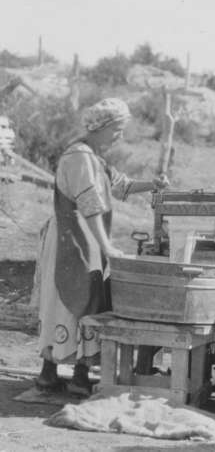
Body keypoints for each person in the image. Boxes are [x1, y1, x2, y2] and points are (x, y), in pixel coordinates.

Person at [35, 98, 169, 396]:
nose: (119, 136)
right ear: (102, 126)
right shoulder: (79, 157)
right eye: (117, 130)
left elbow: (120, 186)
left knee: (90, 298)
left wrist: (153, 185)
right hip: (70, 239)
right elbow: (91, 204)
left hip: (87, 238)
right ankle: (53, 373)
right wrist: (107, 246)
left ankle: (78, 374)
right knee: (67, 300)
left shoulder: (95, 158)